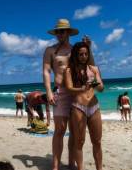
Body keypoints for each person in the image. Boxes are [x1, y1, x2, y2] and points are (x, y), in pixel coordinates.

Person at [43, 19, 94, 170]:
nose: (60, 34)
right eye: (58, 31)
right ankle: (55, 166)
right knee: (59, 130)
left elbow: (88, 66)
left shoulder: (75, 50)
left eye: (63, 31)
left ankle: (72, 163)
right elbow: (46, 72)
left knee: (74, 131)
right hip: (60, 93)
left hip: (76, 92)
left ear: (69, 32)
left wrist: (89, 49)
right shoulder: (50, 51)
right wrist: (48, 91)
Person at [64, 42, 104, 170]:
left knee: (97, 141)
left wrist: (95, 83)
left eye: (86, 54)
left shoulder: (94, 69)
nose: (84, 56)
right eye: (81, 54)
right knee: (79, 142)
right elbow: (69, 88)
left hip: (94, 107)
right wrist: (82, 88)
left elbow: (101, 88)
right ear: (76, 55)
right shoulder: (69, 70)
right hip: (78, 107)